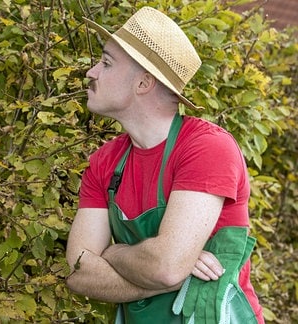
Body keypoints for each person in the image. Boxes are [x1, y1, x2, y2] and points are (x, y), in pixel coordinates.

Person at [66, 6, 264, 323]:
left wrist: (113, 253)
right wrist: (172, 271)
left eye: (106, 63)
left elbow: (166, 267)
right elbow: (78, 272)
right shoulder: (104, 162)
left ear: (143, 83)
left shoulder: (206, 147)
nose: (91, 72)